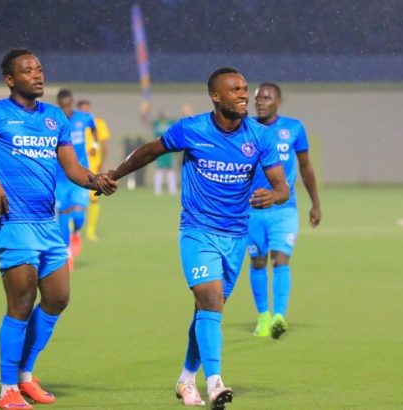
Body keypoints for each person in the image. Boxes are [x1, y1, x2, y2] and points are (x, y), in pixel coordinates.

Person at [101, 67, 289, 409]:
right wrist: (115, 174)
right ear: (215, 96)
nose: (243, 95)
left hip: (235, 235)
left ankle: (186, 379)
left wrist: (273, 196)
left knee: (208, 310)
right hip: (198, 231)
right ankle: (215, 383)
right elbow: (151, 151)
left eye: (245, 89)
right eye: (235, 90)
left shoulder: (260, 137)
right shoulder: (191, 129)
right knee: (210, 299)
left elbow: (282, 188)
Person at [0, 48, 116, 410]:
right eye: (28, 71)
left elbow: (72, 169)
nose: (37, 75)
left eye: (39, 69)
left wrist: (95, 180)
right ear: (10, 79)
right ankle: (7, 387)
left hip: (47, 223)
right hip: (12, 222)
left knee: (58, 298)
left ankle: (25, 376)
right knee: (21, 303)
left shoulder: (54, 117)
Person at [248, 83, 322, 339]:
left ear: (278, 101)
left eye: (267, 98)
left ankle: (279, 316)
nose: (260, 102)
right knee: (258, 261)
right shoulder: (246, 128)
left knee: (280, 259)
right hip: (252, 209)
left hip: (283, 208)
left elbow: (305, 167)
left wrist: (315, 203)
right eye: (257, 98)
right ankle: (263, 317)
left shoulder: (294, 128)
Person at [55, 90, 98, 269]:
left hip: (80, 174)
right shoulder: (53, 120)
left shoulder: (84, 118)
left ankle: (76, 233)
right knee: (64, 214)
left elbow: (94, 128)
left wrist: (94, 144)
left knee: (79, 214)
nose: (66, 109)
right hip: (59, 177)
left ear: (72, 103)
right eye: (62, 106)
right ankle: (67, 253)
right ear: (59, 104)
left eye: (68, 106)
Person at [77, 99, 111, 241]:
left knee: (94, 199)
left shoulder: (99, 123)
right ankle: (74, 232)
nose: (86, 111)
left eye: (87, 108)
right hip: (77, 168)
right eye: (83, 109)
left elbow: (104, 145)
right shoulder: (74, 124)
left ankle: (90, 231)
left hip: (94, 169)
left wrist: (101, 164)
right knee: (75, 201)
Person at [152, 111, 177, 195]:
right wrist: (144, 112)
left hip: (169, 149)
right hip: (159, 149)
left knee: (170, 169)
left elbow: (178, 122)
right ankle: (157, 190)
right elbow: (146, 121)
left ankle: (172, 189)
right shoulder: (156, 124)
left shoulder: (169, 123)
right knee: (159, 169)